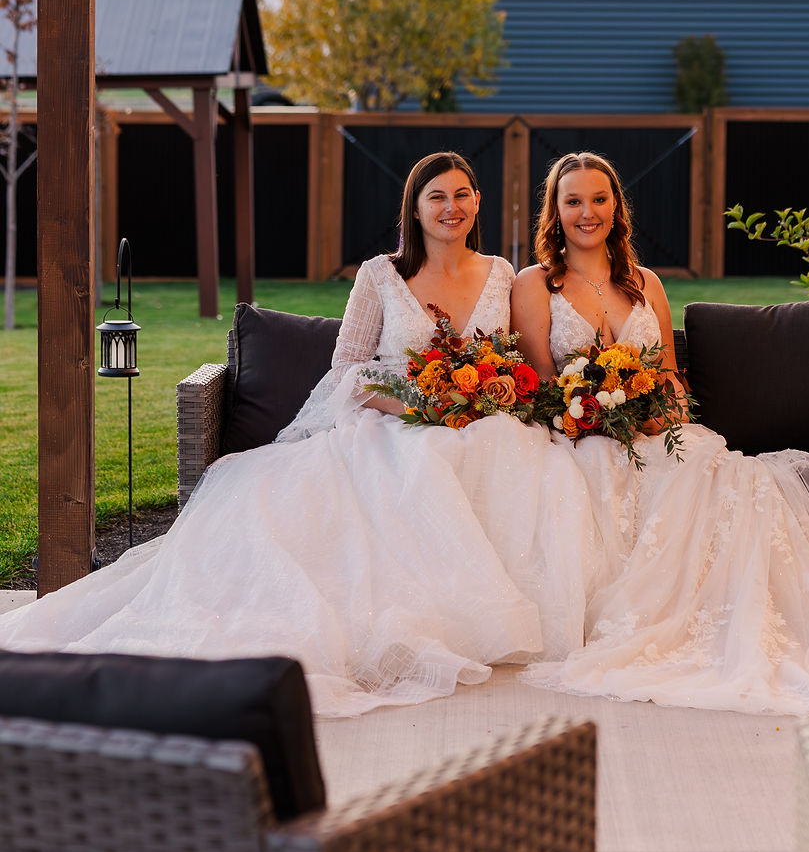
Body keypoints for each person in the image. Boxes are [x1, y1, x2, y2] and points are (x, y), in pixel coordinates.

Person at [0, 152, 595, 717]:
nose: (450, 206)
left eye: (461, 194)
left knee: (519, 459)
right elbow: (346, 368)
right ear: (414, 209)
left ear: (477, 202)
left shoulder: (500, 274)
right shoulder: (380, 275)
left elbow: (516, 358)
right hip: (394, 422)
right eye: (435, 196)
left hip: (480, 423)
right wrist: (417, 404)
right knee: (417, 467)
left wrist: (484, 392)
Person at [510, 150, 809, 716]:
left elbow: (667, 375)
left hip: (661, 433)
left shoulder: (644, 282)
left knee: (738, 482)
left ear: (616, 207)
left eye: (599, 199)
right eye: (574, 201)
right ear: (555, 212)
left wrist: (666, 411)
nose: (588, 212)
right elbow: (538, 384)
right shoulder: (535, 284)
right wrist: (593, 417)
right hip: (582, 440)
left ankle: (769, 624)